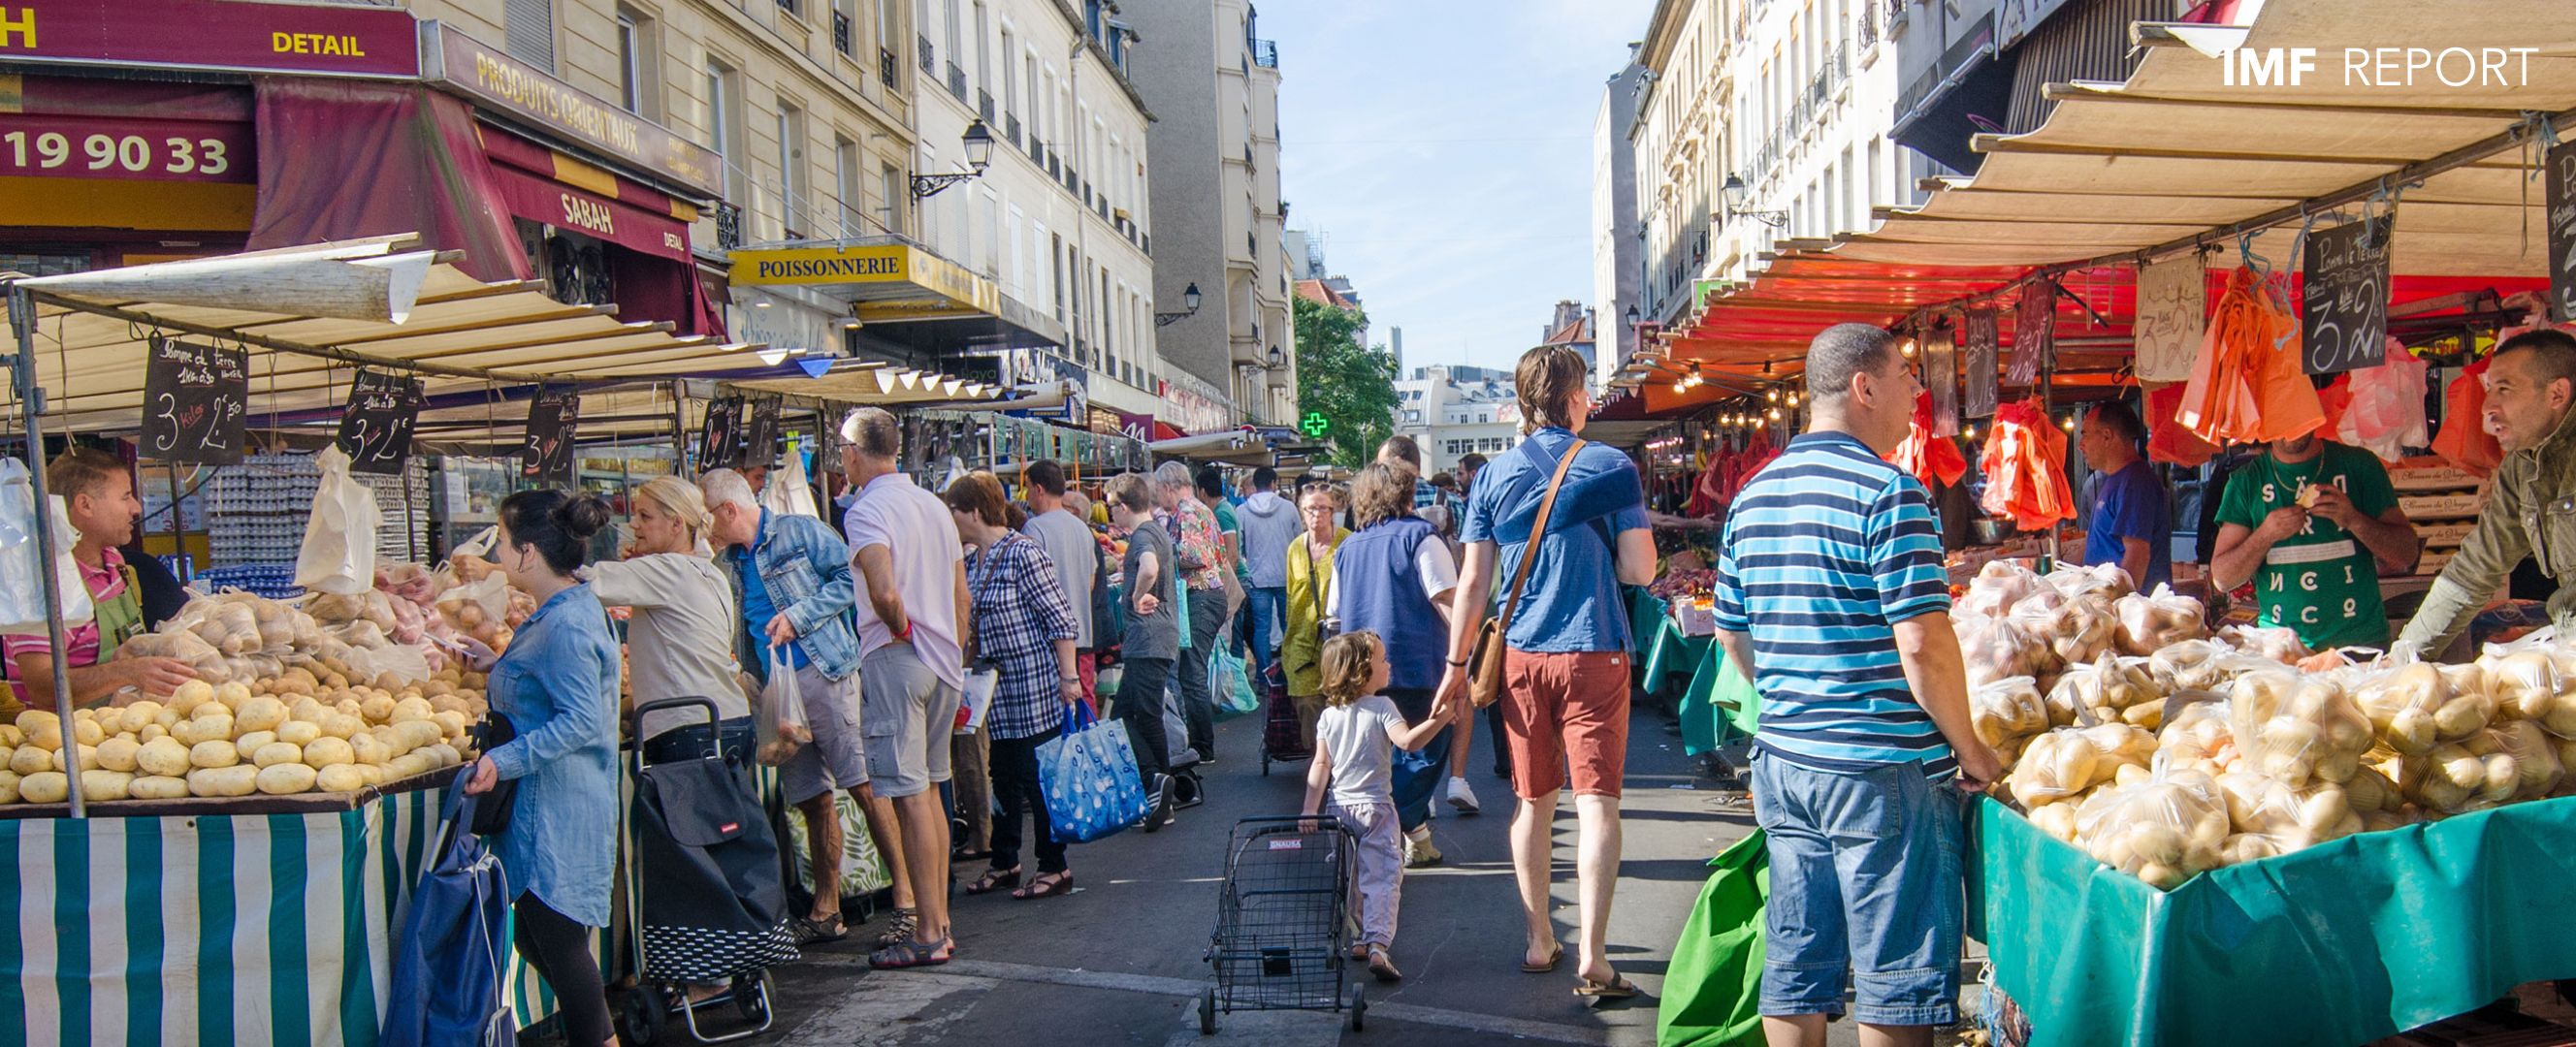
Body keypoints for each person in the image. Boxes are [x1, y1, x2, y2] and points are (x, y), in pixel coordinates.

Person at [1709, 323, 2003, 1043]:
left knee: (1797, 957)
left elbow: (1730, 631)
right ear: (1863, 387)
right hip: (1882, 769)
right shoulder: (1891, 493)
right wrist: (1973, 750)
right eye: (1905, 375)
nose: (1916, 391)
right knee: (1896, 975)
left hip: (1785, 760)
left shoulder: (1753, 496)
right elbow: (1923, 644)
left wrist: (1790, 699)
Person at [1436, 344, 1656, 996]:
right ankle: (1593, 953)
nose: (1590, 401)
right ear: (1571, 397)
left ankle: (1539, 940)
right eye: (1585, 390)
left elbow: (1473, 582)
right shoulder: (1611, 465)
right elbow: (1641, 569)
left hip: (1522, 655)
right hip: (1594, 649)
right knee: (1598, 807)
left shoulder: (1492, 476)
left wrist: (1455, 664)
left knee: (1532, 803)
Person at [701, 467, 902, 950]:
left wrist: (798, 615)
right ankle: (826, 909)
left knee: (863, 786)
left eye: (706, 515)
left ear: (729, 510)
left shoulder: (799, 532)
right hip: (777, 692)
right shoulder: (727, 562)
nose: (702, 525)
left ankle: (910, 902)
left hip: (825, 673)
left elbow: (850, 583)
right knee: (812, 798)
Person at [457, 490, 622, 1047]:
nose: (498, 555)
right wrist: (497, 665)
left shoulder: (567, 624)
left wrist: (501, 761)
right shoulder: (560, 611)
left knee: (561, 949)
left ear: (528, 553)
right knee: (536, 937)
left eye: (502, 543)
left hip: (555, 811)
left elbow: (579, 720)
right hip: (542, 807)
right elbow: (548, 693)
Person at [838, 407, 970, 969]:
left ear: (851, 451)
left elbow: (885, 591)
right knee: (933, 791)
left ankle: (929, 930)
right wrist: (952, 652)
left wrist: (902, 631)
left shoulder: (868, 511)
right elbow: (962, 594)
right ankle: (938, 923)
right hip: (942, 660)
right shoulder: (932, 505)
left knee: (912, 796)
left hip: (901, 655)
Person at [947, 472, 1084, 901]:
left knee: (1037, 777)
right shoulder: (972, 560)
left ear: (972, 512)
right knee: (1003, 775)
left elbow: (1060, 619)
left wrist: (1069, 677)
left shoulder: (1023, 553)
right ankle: (1005, 859)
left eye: (952, 511)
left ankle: (1054, 865)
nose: (948, 520)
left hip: (1033, 686)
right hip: (993, 692)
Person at [1300, 630, 1459, 983]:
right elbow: (1408, 742)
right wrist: (1441, 719)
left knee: (1351, 876)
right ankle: (1378, 945)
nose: (1389, 665)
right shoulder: (1383, 707)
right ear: (1362, 672)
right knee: (1383, 876)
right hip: (1376, 809)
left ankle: (1359, 936)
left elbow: (1321, 766)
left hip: (1338, 810)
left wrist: (1310, 810)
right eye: (1382, 660)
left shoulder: (1329, 716)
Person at [2402, 328, 2576, 651]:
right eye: (2489, 388)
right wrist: (2402, 659)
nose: (2488, 406)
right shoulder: (2521, 466)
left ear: (2557, 394)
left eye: (2505, 389)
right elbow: (2474, 570)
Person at [1327, 462, 1462, 867]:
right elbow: (1445, 600)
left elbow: (1334, 616)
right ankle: (1377, 823)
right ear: (1405, 496)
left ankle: (1416, 839)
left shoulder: (1347, 548)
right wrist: (1466, 657)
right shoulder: (1421, 536)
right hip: (1417, 664)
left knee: (1381, 757)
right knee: (1424, 750)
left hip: (1360, 671)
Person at [8, 447, 191, 710]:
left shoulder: (116, 562)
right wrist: (128, 672)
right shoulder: (42, 585)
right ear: (85, 505)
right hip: (68, 739)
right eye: (126, 497)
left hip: (128, 725)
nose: (136, 508)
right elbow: (43, 689)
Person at [2209, 432, 2420, 651]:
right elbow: (2223, 578)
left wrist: (2354, 520)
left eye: (2297, 415)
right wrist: (2266, 534)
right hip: (2280, 649)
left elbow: (2407, 554)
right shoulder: (2247, 479)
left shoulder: (2360, 465)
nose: (2290, 427)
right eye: (2279, 416)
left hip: (2360, 645)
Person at [1104, 472, 1180, 827]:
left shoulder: (1143, 535)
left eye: (1110, 509)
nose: (1109, 517)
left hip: (1148, 639)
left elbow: (1148, 568)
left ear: (1122, 507)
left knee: (1137, 717)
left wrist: (1134, 597)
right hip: (1154, 639)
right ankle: (1157, 786)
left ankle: (1157, 783)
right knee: (1133, 715)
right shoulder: (1155, 530)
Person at [1155, 460, 1229, 763]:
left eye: (1158, 490)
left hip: (1201, 596)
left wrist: (1162, 553)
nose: (1158, 497)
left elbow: (1193, 555)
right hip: (1209, 596)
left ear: (1168, 487)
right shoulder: (1199, 509)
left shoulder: (1186, 512)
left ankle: (1203, 747)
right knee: (1192, 671)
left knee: (1192, 673)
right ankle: (1201, 742)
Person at [1020, 460, 1101, 707]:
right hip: (1082, 634)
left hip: (1050, 637)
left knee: (1055, 709)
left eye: (1028, 487)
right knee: (1083, 702)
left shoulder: (1034, 528)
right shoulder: (1082, 528)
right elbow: (1090, 582)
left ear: (1039, 489)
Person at [1280, 483, 1349, 752]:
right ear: (1301, 512)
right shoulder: (1295, 548)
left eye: (1322, 508)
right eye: (1310, 508)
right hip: (1302, 639)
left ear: (1333, 511)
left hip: (1340, 638)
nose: (1316, 514)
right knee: (1307, 702)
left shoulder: (1346, 542)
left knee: (1339, 701)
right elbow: (1290, 596)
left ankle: (1339, 763)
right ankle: (1318, 758)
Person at [2077, 400, 2172, 590]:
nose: (2080, 445)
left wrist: (2121, 604)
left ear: (2107, 436)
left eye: (2085, 434)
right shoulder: (2116, 479)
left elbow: (2137, 553)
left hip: (2132, 612)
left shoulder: (2136, 481)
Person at [1236, 466, 1300, 687]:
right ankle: (1290, 675)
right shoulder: (1289, 508)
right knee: (1288, 627)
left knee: (1262, 629)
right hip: (1286, 576)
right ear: (1274, 483)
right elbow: (1299, 541)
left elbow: (1239, 545)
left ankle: (1264, 679)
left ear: (1255, 484)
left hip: (1257, 577)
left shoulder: (1242, 511)